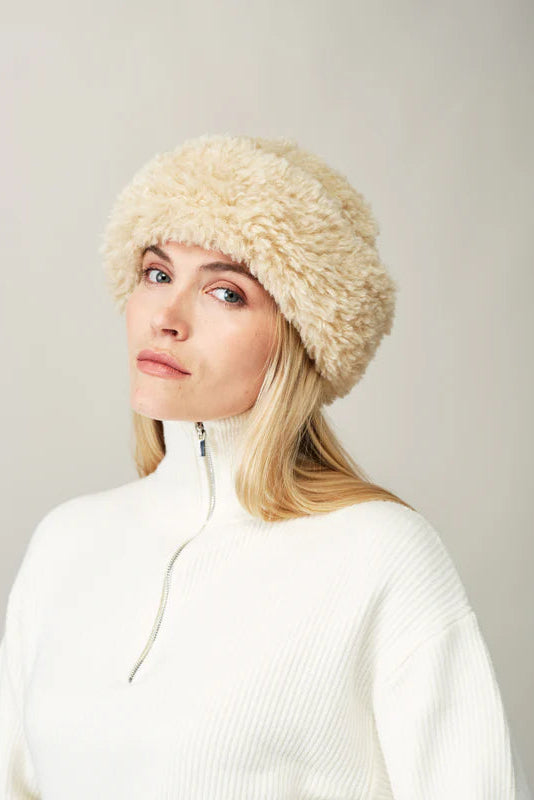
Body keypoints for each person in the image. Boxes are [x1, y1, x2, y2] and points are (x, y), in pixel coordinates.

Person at [0, 134, 530, 799]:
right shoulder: (67, 543)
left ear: (300, 338)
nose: (166, 318)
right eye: (158, 274)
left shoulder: (379, 553)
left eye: (225, 292)